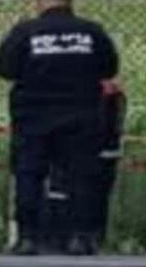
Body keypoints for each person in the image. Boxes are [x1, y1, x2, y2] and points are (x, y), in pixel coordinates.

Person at [0, 0, 119, 256]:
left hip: (33, 116)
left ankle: (27, 238)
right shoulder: (91, 31)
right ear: (70, 2)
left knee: (29, 174)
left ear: (40, 2)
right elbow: (109, 66)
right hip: (81, 116)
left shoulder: (26, 31)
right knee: (80, 176)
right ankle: (79, 238)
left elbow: (3, 67)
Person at [39, 79, 126, 251]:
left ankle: (84, 237)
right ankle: (62, 237)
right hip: (80, 150)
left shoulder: (109, 96)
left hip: (97, 152)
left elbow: (111, 125)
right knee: (66, 192)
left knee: (92, 195)